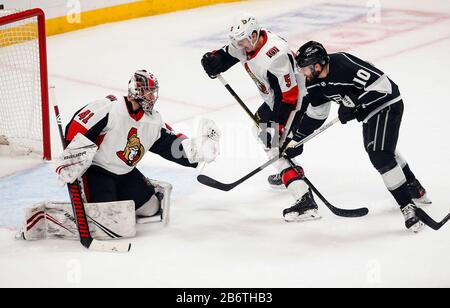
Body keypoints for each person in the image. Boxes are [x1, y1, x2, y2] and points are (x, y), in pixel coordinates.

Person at [287, 41, 430, 232]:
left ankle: (407, 206)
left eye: (304, 68)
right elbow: (317, 114)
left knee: (379, 154)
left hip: (387, 105)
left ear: (318, 65)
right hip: (368, 114)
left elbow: (384, 86)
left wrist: (354, 102)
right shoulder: (313, 82)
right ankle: (413, 186)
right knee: (382, 148)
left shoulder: (343, 64)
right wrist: (297, 139)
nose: (302, 72)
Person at [56, 69, 221, 223]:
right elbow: (75, 130)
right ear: (137, 91)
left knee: (151, 208)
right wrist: (71, 161)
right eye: (149, 91)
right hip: (97, 171)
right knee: (108, 217)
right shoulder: (109, 108)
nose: (152, 96)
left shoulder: (152, 121)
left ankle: (133, 191)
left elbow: (170, 144)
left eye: (153, 92)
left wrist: (198, 151)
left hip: (125, 172)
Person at [201, 13, 319, 222]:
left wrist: (277, 126)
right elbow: (229, 54)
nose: (242, 46)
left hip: (295, 104)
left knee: (274, 147)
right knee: (262, 133)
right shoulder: (249, 42)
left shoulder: (275, 56)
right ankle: (291, 171)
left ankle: (304, 199)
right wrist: (213, 61)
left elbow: (290, 96)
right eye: (239, 42)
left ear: (255, 35)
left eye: (245, 41)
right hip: (277, 100)